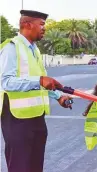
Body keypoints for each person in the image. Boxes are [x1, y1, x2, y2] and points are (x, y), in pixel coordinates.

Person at [0, 10, 73, 172]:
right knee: (20, 166)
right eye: (41, 24)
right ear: (27, 25)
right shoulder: (11, 47)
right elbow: (6, 82)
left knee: (35, 166)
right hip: (17, 119)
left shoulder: (35, 50)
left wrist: (59, 96)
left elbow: (44, 81)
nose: (44, 28)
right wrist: (39, 80)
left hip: (37, 117)